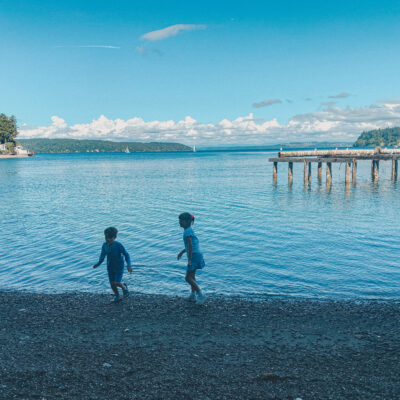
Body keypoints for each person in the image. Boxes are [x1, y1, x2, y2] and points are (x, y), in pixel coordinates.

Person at [93, 227, 132, 302]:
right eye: (106, 237)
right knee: (112, 284)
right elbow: (102, 256)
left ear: (115, 237)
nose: (108, 239)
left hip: (119, 266)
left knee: (117, 282)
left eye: (110, 238)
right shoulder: (104, 245)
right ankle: (117, 296)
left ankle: (124, 287)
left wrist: (129, 265)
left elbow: (126, 254)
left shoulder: (118, 245)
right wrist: (98, 264)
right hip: (110, 266)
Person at [177, 213, 206, 304]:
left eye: (181, 221)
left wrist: (189, 260)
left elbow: (190, 245)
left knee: (187, 278)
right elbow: (190, 245)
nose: (179, 222)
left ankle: (200, 294)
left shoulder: (187, 232)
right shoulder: (189, 230)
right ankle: (193, 295)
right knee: (192, 276)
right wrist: (182, 252)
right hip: (196, 254)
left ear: (186, 222)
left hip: (193, 255)